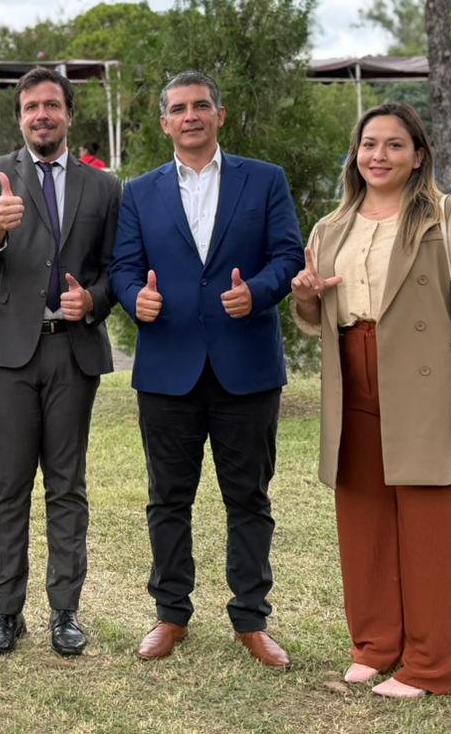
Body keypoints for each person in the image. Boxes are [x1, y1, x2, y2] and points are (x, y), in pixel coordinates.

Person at [291, 102, 451, 698]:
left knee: (431, 529)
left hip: (427, 381)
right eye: (368, 144)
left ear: (418, 156)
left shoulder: (448, 216)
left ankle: (432, 666)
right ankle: (376, 645)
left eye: (393, 145)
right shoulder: (332, 226)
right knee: (364, 523)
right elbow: (318, 317)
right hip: (352, 378)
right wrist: (305, 295)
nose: (378, 156)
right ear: (354, 154)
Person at [110, 71, 304, 669]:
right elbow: (123, 267)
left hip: (246, 365)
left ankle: (251, 619)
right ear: (164, 123)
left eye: (200, 106)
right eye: (178, 108)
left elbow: (288, 255)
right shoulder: (139, 192)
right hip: (168, 368)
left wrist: (259, 293)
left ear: (220, 115)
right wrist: (134, 299)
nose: (190, 116)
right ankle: (171, 614)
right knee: (168, 499)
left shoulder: (264, 180)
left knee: (249, 498)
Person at [0, 67, 121, 657]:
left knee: (67, 485)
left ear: (69, 114)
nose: (41, 115)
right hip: (6, 354)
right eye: (31, 107)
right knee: (9, 485)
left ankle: (65, 611)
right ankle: (5, 612)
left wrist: (93, 300)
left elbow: (117, 268)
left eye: (52, 105)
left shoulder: (104, 187)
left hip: (72, 350)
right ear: (20, 117)